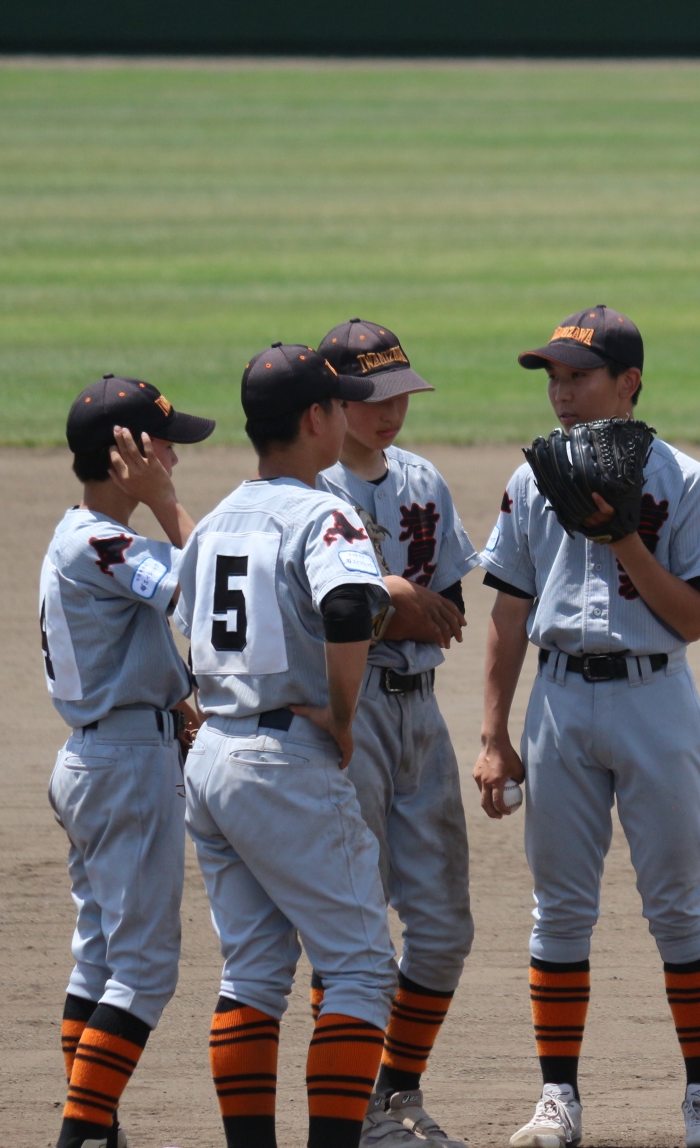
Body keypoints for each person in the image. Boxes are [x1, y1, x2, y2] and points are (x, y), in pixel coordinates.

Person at [471, 305, 700, 1148]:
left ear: (629, 383)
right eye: (553, 378)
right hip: (558, 702)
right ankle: (558, 1099)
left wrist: (623, 537)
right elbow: (509, 614)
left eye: (579, 377)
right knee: (558, 911)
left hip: (656, 699)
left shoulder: (686, 481)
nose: (561, 393)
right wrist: (493, 736)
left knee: (679, 908)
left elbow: (694, 618)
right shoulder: (530, 481)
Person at [174, 343, 403, 1148]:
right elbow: (349, 607)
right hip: (284, 764)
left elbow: (184, 627)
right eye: (341, 405)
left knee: (252, 973)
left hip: (213, 759)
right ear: (315, 419)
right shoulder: (323, 513)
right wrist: (342, 713)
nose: (347, 417)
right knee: (359, 970)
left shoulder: (214, 521)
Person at [313, 318, 479, 1148]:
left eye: (400, 396)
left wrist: (398, 605)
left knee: (445, 928)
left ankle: (394, 1094)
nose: (391, 412)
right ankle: (348, 1116)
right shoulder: (310, 488)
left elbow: (450, 605)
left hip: (423, 714)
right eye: (373, 398)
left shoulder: (422, 479)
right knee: (353, 927)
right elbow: (315, 614)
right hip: (351, 710)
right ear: (330, 402)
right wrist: (394, 600)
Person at [41, 375, 215, 1148]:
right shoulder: (102, 542)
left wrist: (172, 694)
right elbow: (207, 584)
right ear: (127, 456)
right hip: (123, 766)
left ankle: (97, 1130)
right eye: (164, 446)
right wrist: (162, 501)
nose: (175, 458)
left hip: (99, 754)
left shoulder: (78, 535)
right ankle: (82, 1135)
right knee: (143, 971)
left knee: (101, 959)